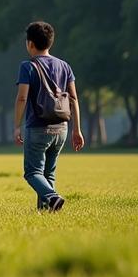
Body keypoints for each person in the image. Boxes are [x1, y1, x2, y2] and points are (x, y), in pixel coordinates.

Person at [14, 20, 85, 212]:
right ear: (50, 42)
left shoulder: (27, 66)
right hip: (61, 128)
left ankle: (52, 197)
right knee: (49, 173)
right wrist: (77, 130)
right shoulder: (65, 66)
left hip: (37, 127)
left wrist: (16, 126)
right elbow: (74, 99)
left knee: (32, 173)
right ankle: (46, 211)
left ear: (30, 43)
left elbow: (22, 98)